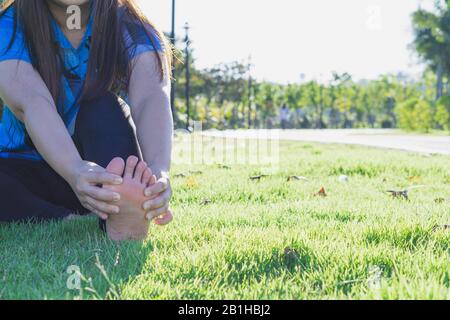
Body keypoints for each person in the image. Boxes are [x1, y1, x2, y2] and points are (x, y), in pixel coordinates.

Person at [0, 0, 174, 241]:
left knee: (102, 107)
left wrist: (158, 171)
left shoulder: (129, 24)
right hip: (24, 171)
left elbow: (150, 96)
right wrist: (73, 170)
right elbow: (31, 102)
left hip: (99, 175)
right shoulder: (10, 25)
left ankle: (122, 208)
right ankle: (66, 217)